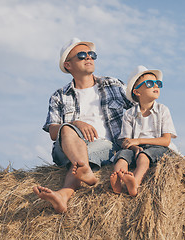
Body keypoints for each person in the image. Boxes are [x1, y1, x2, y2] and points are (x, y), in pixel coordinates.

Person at [33, 38, 132, 213]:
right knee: (67, 131)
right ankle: (86, 172)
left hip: (105, 147)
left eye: (92, 55)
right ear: (68, 65)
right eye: (82, 55)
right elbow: (54, 132)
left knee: (79, 161)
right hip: (66, 149)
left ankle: (63, 195)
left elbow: (140, 107)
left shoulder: (113, 85)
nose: (89, 58)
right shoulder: (59, 95)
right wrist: (74, 124)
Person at [110, 65, 177, 197]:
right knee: (122, 156)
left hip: (158, 149)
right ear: (137, 92)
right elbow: (126, 141)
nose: (155, 86)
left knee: (144, 156)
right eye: (150, 83)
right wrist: (134, 147)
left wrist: (139, 140)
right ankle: (118, 181)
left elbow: (166, 140)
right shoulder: (129, 114)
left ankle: (135, 182)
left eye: (158, 83)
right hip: (136, 148)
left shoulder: (163, 110)